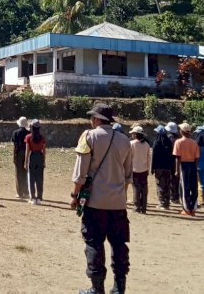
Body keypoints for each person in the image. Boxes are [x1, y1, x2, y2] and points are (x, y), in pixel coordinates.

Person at [71, 103, 132, 294]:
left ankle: (97, 288)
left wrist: (75, 195)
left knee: (94, 243)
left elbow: (81, 172)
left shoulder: (88, 136)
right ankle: (119, 287)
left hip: (95, 202)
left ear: (96, 119)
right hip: (118, 203)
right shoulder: (125, 140)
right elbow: (128, 175)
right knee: (119, 244)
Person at [173, 122, 199, 216]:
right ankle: (193, 208)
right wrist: (195, 169)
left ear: (182, 131)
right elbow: (196, 157)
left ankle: (187, 209)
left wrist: (176, 170)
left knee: (184, 188)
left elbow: (177, 157)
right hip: (192, 165)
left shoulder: (178, 142)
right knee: (193, 187)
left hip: (183, 165)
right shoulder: (194, 142)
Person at [151, 124, 175, 209]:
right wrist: (172, 168)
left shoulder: (156, 142)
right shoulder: (168, 142)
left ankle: (161, 202)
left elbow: (154, 156)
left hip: (159, 167)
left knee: (160, 184)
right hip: (168, 167)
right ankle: (167, 203)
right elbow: (172, 156)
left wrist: (152, 168)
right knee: (167, 184)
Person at [129, 126, 151, 214]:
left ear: (135, 134)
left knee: (136, 188)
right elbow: (148, 158)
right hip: (144, 169)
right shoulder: (146, 144)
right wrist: (148, 169)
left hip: (134, 169)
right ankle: (144, 207)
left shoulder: (131, 144)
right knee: (144, 188)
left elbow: (129, 157)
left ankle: (136, 207)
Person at [24, 119, 46, 206]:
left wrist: (25, 162)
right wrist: (44, 161)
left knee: (31, 178)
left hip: (32, 156)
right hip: (40, 157)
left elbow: (27, 151)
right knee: (40, 178)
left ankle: (32, 198)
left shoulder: (28, 137)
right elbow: (44, 150)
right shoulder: (42, 138)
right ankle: (39, 198)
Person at [12, 117, 30, 199]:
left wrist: (14, 156)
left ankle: (20, 193)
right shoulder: (29, 133)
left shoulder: (15, 132)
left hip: (18, 153)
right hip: (26, 153)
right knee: (25, 173)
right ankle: (26, 191)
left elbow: (15, 145)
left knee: (18, 173)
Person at [165, 122, 181, 204]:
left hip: (170, 160)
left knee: (170, 179)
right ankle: (176, 196)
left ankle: (172, 197)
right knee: (176, 179)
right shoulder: (178, 138)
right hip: (177, 159)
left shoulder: (169, 138)